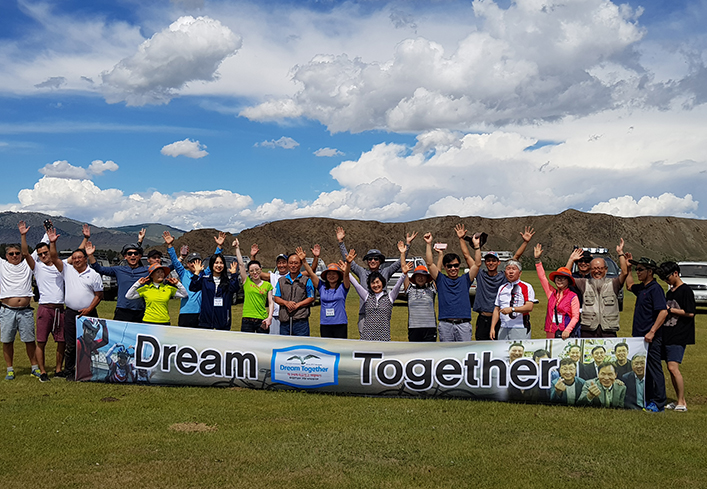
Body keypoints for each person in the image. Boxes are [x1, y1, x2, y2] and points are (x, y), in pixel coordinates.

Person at [337, 225, 415, 337]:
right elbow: (348, 261)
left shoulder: (386, 272)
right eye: (370, 259)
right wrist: (341, 242)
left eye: (376, 259)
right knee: (365, 341)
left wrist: (407, 245)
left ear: (380, 261)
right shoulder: (362, 272)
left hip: (381, 314)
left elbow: (399, 263)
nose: (372, 261)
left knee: (381, 339)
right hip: (364, 314)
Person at [48, 228, 104, 380]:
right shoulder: (67, 270)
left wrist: (89, 309)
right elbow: (54, 257)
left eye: (79, 257)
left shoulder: (94, 275)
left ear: (85, 259)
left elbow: (99, 295)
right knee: (71, 343)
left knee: (90, 344)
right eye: (74, 258)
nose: (76, 260)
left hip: (89, 314)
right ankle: (69, 371)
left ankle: (89, 370)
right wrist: (52, 243)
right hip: (71, 312)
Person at [20, 221, 64, 381]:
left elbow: (78, 256)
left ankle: (58, 370)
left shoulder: (61, 266)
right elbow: (25, 254)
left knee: (62, 341)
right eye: (40, 254)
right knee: (41, 341)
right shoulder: (37, 267)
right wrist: (23, 236)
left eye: (45, 253)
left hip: (60, 309)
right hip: (45, 308)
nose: (43, 256)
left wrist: (85, 239)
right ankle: (43, 372)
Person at [474, 227, 535, 340]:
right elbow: (472, 261)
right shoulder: (483, 276)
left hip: (510, 322)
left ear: (499, 263)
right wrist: (475, 246)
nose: (491, 263)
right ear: (485, 262)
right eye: (488, 261)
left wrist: (525, 242)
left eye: (493, 260)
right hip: (487, 319)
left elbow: (515, 258)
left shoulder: (504, 277)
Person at [423, 225, 481, 342]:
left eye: (456, 265)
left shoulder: (465, 279)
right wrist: (428, 244)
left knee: (464, 351)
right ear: (445, 267)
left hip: (463, 324)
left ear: (459, 266)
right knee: (447, 352)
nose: (453, 268)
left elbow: (477, 264)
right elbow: (429, 264)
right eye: (449, 266)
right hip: (446, 325)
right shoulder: (440, 279)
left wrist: (476, 246)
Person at [626, 255, 668, 412]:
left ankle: (659, 402)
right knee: (644, 369)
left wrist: (652, 331)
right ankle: (648, 397)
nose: (638, 272)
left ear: (650, 271)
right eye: (636, 269)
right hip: (640, 337)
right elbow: (629, 286)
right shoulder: (643, 288)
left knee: (654, 369)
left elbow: (663, 312)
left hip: (651, 337)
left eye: (640, 269)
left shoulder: (655, 289)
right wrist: (628, 269)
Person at [251, 244, 319, 336]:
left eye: (284, 262)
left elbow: (311, 271)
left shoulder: (303, 278)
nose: (282, 265)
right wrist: (253, 257)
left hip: (299, 319)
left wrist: (314, 257)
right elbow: (256, 273)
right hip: (280, 316)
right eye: (279, 263)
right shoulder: (276, 278)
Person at [566, 240, 629, 337]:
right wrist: (571, 260)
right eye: (594, 268)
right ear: (590, 270)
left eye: (600, 268)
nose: (597, 271)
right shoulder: (584, 283)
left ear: (606, 269)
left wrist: (620, 253)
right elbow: (566, 277)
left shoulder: (614, 283)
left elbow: (624, 272)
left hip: (608, 330)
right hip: (588, 330)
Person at [1, 233, 40, 381]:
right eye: (11, 254)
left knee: (30, 340)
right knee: (7, 341)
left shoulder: (27, 264)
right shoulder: (2, 265)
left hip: (25, 311)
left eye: (17, 253)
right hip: (7, 310)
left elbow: (39, 248)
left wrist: (46, 234)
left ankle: (34, 367)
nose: (15, 256)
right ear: (6, 256)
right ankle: (10, 369)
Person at [657, 261, 695, 412]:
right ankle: (680, 400)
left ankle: (681, 402)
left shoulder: (686, 290)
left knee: (673, 368)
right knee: (669, 368)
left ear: (675, 273)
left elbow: (690, 312)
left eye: (667, 277)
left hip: (679, 334)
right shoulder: (670, 292)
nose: (666, 281)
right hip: (667, 333)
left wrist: (670, 310)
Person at [163, 230, 222, 328]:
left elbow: (213, 262)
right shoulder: (183, 273)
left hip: (200, 312)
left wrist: (219, 247)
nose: (195, 264)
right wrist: (170, 245)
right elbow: (175, 261)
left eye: (197, 261)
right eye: (192, 262)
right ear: (188, 264)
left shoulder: (204, 274)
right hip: (185, 313)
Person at [86, 231, 148, 322]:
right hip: (122, 310)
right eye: (129, 254)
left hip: (141, 310)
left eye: (136, 254)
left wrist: (169, 246)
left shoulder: (147, 270)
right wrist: (90, 255)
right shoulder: (119, 270)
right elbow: (99, 269)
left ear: (140, 256)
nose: (133, 256)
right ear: (125, 257)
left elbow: (166, 269)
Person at [349, 255, 413, 341]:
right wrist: (346, 270)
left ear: (382, 283)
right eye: (373, 283)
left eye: (377, 282)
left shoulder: (390, 297)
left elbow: (397, 286)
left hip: (384, 338)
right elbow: (356, 285)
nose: (376, 285)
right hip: (367, 338)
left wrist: (404, 274)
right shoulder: (367, 296)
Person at [298, 246, 352, 339]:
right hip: (325, 324)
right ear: (325, 276)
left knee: (340, 347)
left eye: (334, 274)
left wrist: (349, 264)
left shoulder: (343, 287)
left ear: (338, 276)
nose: (331, 276)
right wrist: (304, 260)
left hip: (340, 323)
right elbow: (311, 273)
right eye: (329, 274)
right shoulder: (321, 286)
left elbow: (346, 275)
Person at [534, 243, 580, 339]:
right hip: (550, 331)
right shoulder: (551, 293)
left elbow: (575, 316)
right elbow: (542, 277)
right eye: (558, 278)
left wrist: (568, 330)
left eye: (563, 278)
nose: (560, 280)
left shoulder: (573, 296)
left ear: (568, 281)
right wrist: (537, 260)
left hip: (565, 333)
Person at [189, 253, 240, 330]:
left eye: (221, 263)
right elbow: (193, 287)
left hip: (223, 321)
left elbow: (235, 288)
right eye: (216, 263)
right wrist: (196, 273)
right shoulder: (205, 280)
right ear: (212, 264)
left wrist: (234, 275)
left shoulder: (227, 281)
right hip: (206, 320)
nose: (219, 265)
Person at [235, 239, 274, 334]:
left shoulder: (267, 285)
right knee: (246, 343)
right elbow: (241, 264)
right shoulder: (246, 282)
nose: (255, 272)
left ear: (261, 269)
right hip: (247, 320)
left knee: (262, 342)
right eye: (251, 271)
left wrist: (269, 317)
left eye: (257, 270)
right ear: (248, 272)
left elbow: (271, 303)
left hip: (262, 320)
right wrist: (237, 248)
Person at [491, 260, 535, 340]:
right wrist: (492, 327)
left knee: (518, 348)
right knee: (502, 348)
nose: (511, 272)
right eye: (508, 269)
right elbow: (497, 308)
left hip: (520, 327)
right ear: (505, 273)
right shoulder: (502, 288)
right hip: (503, 327)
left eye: (514, 269)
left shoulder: (526, 287)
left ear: (520, 273)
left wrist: (512, 309)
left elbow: (529, 306)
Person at [273, 253, 316, 336]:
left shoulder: (306, 280)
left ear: (300, 265)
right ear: (287, 264)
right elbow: (276, 297)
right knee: (285, 344)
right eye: (291, 263)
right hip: (285, 322)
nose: (293, 266)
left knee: (301, 343)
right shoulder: (281, 281)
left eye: (296, 263)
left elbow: (311, 297)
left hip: (301, 322)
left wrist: (298, 305)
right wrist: (286, 303)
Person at [403, 257, 438, 343]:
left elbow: (437, 273)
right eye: (418, 276)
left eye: (423, 276)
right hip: (414, 327)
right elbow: (404, 271)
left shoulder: (431, 289)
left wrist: (440, 255)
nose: (420, 278)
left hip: (430, 327)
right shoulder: (410, 289)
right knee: (415, 350)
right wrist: (403, 254)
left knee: (430, 350)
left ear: (427, 278)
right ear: (414, 278)